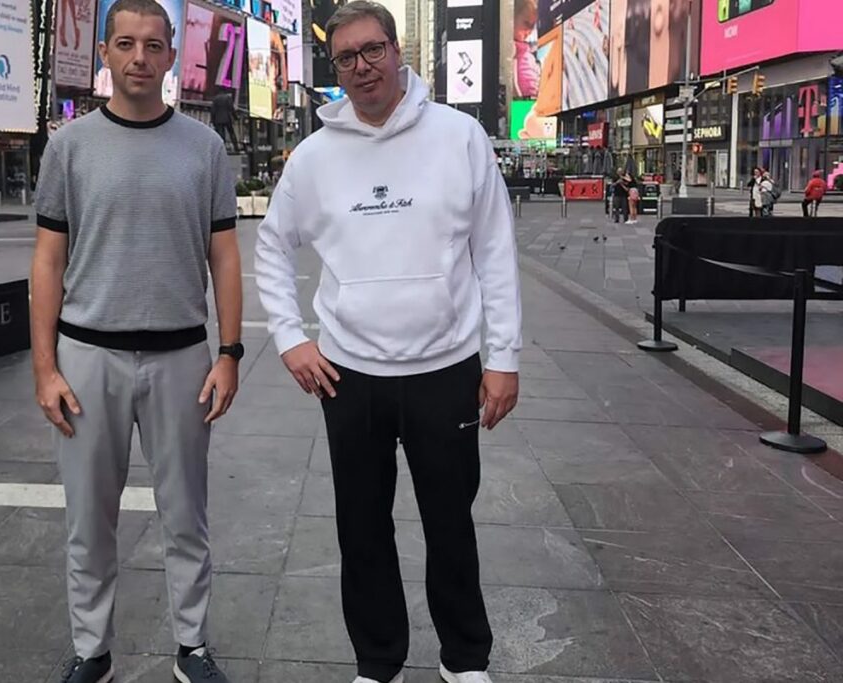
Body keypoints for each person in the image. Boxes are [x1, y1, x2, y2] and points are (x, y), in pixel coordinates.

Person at [254, 4, 521, 683]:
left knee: (450, 523)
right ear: (335, 68)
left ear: (398, 51)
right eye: (346, 57)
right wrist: (289, 338)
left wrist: (503, 358)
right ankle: (377, 661)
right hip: (349, 375)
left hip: (446, 369)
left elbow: (495, 250)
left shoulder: (459, 137)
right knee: (362, 527)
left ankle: (465, 659)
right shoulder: (313, 158)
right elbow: (271, 247)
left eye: (373, 49)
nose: (363, 66)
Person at [30, 1, 243, 682]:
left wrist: (230, 353)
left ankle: (192, 646)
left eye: (154, 45)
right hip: (86, 356)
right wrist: (45, 368)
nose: (140, 58)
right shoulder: (69, 147)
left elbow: (225, 257)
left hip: (182, 356)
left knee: (186, 514)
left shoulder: (204, 149)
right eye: (125, 44)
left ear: (172, 55)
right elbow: (48, 261)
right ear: (105, 53)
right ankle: (92, 651)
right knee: (88, 519)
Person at [512, 0, 540, 98]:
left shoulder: (526, 49)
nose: (529, 30)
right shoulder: (512, 49)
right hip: (521, 101)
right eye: (526, 23)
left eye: (532, 26)